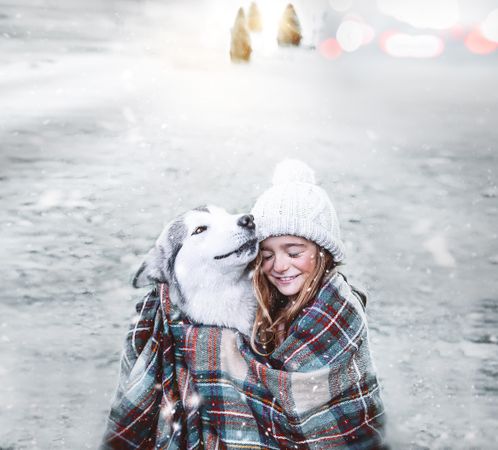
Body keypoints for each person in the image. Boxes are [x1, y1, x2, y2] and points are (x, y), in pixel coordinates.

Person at [248, 158, 386, 447]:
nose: (280, 266)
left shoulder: (338, 310)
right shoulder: (265, 305)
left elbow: (289, 395)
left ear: (322, 252)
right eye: (267, 254)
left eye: (294, 252)